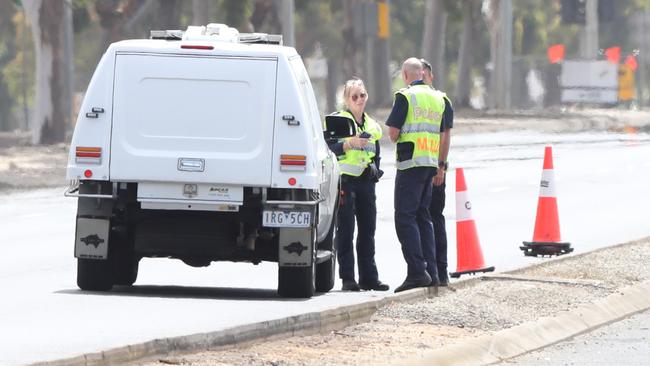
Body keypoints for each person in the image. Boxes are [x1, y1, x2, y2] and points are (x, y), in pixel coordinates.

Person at [386, 58, 447, 293]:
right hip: (430, 163)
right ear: (422, 73)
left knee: (405, 217)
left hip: (410, 163)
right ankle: (431, 271)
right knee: (424, 216)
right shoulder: (438, 98)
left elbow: (392, 133)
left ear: (405, 74)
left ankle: (416, 272)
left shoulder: (405, 96)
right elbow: (441, 133)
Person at [326, 78, 389, 292]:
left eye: (363, 95)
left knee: (368, 231)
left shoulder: (372, 124)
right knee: (346, 231)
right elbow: (328, 148)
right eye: (355, 96)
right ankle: (348, 278)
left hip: (366, 183)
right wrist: (348, 143)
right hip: (346, 182)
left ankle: (369, 278)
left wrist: (375, 169)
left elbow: (376, 150)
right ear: (346, 100)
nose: (360, 100)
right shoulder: (338, 121)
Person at [421, 58, 453, 286]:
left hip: (435, 170)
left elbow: (445, 136)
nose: (421, 80)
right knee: (421, 219)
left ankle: (441, 270)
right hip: (418, 169)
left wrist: (440, 166)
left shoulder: (441, 100)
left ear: (431, 78)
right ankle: (426, 269)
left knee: (435, 218)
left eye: (424, 76)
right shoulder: (413, 99)